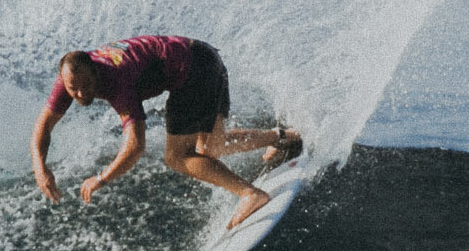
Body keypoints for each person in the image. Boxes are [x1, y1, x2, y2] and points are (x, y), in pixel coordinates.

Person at [30, 35, 301, 228]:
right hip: (203, 56)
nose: (79, 93)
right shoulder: (73, 76)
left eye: (85, 86)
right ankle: (282, 137)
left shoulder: (115, 80)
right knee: (212, 147)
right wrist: (40, 168)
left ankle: (250, 195)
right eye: (72, 88)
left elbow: (135, 146)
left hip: (194, 70)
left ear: (95, 72)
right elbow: (43, 126)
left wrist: (100, 178)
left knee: (177, 157)